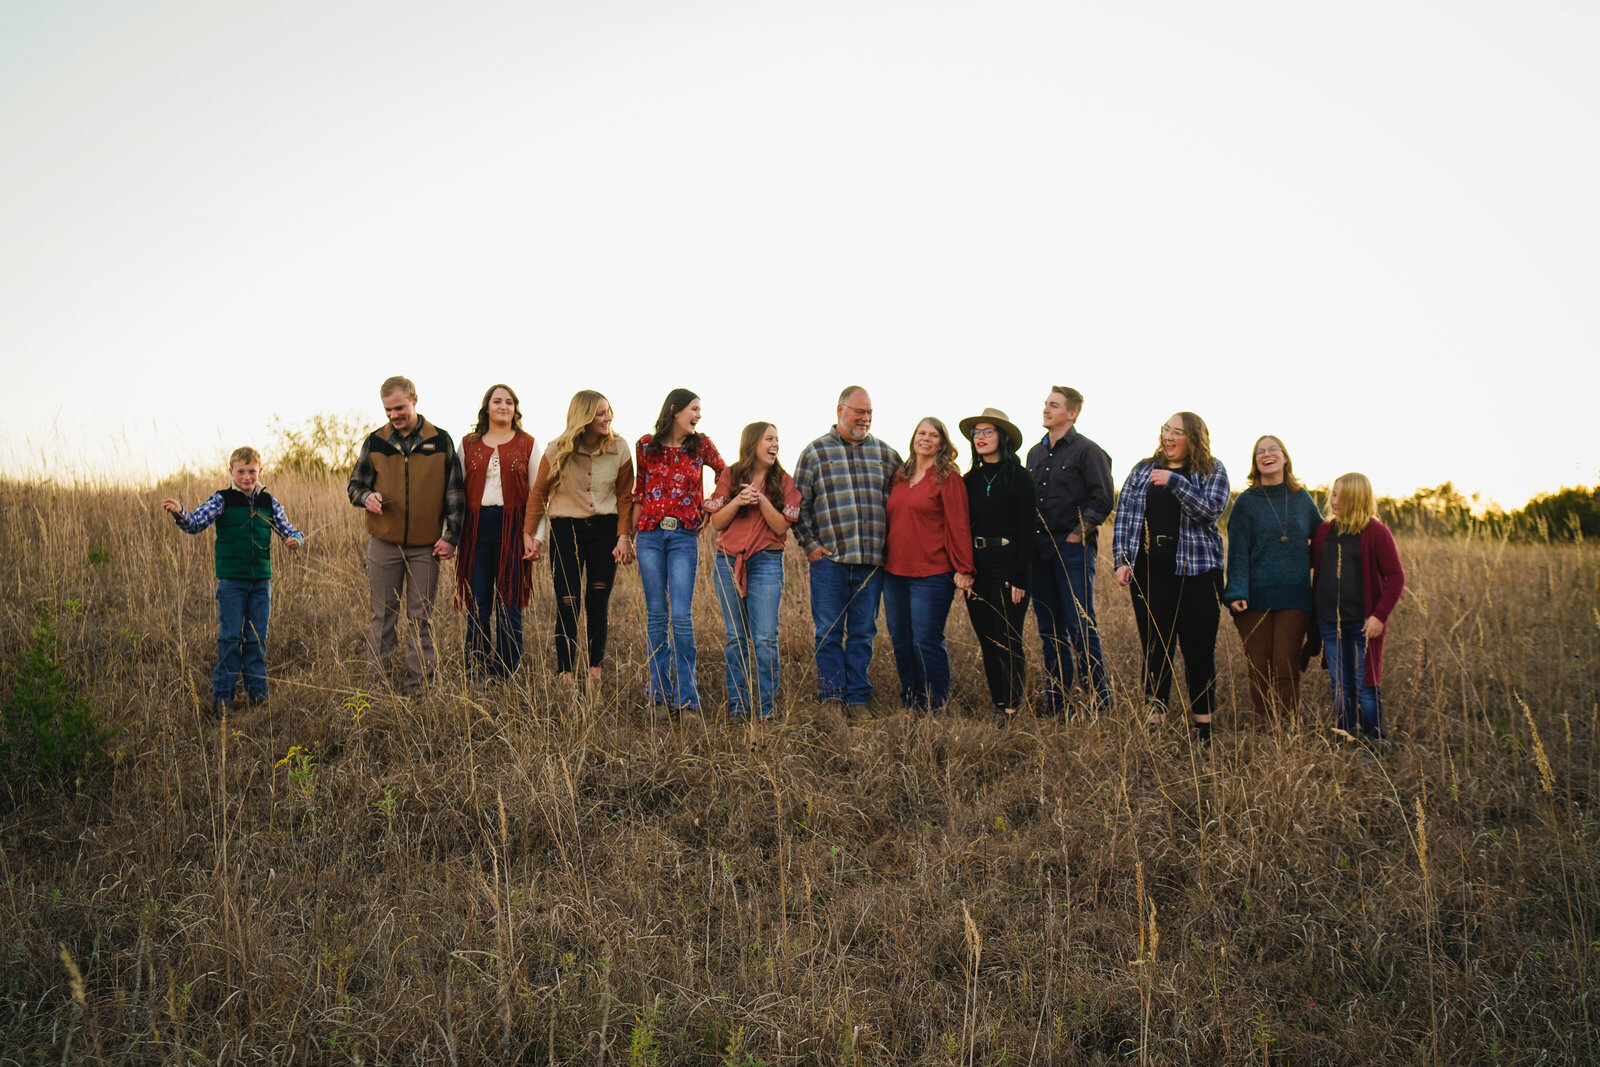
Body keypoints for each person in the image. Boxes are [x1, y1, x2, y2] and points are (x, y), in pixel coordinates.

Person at [1113, 412, 1230, 741]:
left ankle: (1203, 729)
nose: (1168, 436)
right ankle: (1153, 723)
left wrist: (1176, 483)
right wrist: (1122, 560)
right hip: (1151, 574)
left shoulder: (1211, 470)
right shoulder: (1142, 469)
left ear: (1192, 438)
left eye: (1177, 431)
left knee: (1199, 651)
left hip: (1199, 575)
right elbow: (1125, 514)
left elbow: (1209, 511)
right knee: (1155, 648)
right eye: (1166, 429)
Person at [162, 446, 304, 716]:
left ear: (260, 471)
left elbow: (291, 529)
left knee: (256, 640)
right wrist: (180, 511)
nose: (247, 477)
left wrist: (296, 540)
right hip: (231, 584)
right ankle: (223, 701)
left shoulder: (268, 502)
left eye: (252, 471)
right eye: (241, 472)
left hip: (261, 583)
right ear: (231, 472)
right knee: (230, 639)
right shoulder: (222, 500)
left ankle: (258, 700)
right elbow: (195, 523)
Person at [348, 376, 465, 695]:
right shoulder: (375, 441)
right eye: (388, 410)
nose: (393, 415)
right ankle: (378, 685)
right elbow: (355, 485)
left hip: (426, 547)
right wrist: (366, 497)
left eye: (399, 407)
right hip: (383, 544)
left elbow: (454, 494)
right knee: (382, 615)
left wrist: (451, 536)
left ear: (414, 399)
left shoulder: (441, 441)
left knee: (420, 617)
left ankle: (419, 687)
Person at [793, 386, 903, 717]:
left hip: (871, 562)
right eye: (859, 412)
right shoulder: (815, 453)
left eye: (869, 413)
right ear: (840, 410)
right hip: (830, 561)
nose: (865, 419)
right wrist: (811, 546)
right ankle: (831, 696)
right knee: (828, 632)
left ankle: (857, 699)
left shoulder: (887, 455)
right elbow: (798, 507)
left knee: (862, 635)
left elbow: (907, 499)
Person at [523, 390, 635, 685]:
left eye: (608, 411)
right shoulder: (556, 449)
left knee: (598, 600)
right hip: (566, 531)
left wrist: (624, 536)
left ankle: (595, 672)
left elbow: (625, 496)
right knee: (567, 600)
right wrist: (529, 534)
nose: (607, 417)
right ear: (583, 417)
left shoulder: (620, 449)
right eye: (600, 413)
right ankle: (565, 674)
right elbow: (538, 494)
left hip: (605, 530)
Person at [631, 388, 725, 714]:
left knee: (681, 617)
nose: (698, 415)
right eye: (694, 409)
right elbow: (639, 491)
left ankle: (687, 699)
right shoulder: (646, 445)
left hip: (684, 536)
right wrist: (627, 536)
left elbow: (725, 475)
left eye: (700, 411)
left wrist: (711, 507)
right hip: (650, 537)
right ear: (675, 409)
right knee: (657, 615)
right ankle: (658, 695)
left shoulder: (701, 445)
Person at [1027, 386, 1115, 717]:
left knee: (1080, 626)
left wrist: (1078, 535)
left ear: (1072, 413)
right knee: (1050, 631)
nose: (1046, 409)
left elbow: (1103, 499)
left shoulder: (1087, 451)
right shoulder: (1035, 454)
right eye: (1046, 404)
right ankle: (1058, 704)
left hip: (1071, 552)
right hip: (1040, 553)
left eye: (1054, 405)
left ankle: (1101, 703)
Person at [706, 422, 802, 720]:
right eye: (769, 439)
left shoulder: (783, 481)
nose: (775, 444)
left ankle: (765, 709)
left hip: (766, 563)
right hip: (727, 561)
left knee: (764, 639)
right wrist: (737, 501)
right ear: (753, 444)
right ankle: (738, 706)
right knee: (736, 637)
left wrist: (760, 500)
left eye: (777, 440)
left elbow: (781, 527)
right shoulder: (731, 476)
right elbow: (717, 523)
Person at [1222, 435, 1321, 719]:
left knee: (1286, 666)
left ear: (1285, 457)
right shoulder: (1246, 502)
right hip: (1254, 597)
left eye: (1273, 449)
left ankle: (1286, 733)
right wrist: (1236, 592)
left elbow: (1323, 537)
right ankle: (1264, 731)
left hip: (1295, 596)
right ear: (1255, 463)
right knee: (1259, 666)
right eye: (1260, 452)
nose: (1267, 454)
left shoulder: (1302, 499)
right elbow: (1238, 551)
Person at [884, 417, 975, 714]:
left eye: (933, 435)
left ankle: (937, 705)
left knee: (926, 641)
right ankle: (911, 699)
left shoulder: (948, 478)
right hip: (894, 572)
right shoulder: (899, 475)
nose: (926, 438)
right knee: (901, 640)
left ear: (942, 443)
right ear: (913, 438)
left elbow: (959, 525)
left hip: (932, 573)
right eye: (921, 433)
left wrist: (964, 568)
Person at [1308, 472, 1406, 741]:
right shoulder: (1324, 531)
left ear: (1358, 499)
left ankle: (1375, 739)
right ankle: (1346, 735)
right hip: (1329, 621)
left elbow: (1396, 576)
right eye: (1334, 492)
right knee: (1340, 684)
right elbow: (1310, 564)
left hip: (1365, 623)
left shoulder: (1376, 532)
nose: (1334, 499)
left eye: (1342, 495)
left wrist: (1379, 616)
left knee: (1365, 684)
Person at [957, 408, 1035, 727]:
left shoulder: (1019, 477)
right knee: (987, 638)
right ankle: (998, 703)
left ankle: (1012, 707)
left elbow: (1029, 530)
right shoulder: (969, 480)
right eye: (976, 432)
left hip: (1008, 562)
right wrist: (964, 568)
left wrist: (1020, 577)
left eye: (988, 431)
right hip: (978, 566)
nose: (980, 437)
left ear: (1003, 437)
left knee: (1008, 637)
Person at [455, 384, 537, 679]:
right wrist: (449, 534)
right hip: (476, 529)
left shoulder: (527, 443)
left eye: (509, 402)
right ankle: (476, 667)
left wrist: (534, 535)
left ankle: (506, 670)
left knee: (509, 601)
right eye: (497, 401)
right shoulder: (468, 444)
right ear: (486, 407)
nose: (503, 406)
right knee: (478, 602)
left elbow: (538, 494)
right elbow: (454, 492)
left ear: (515, 409)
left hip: (513, 528)